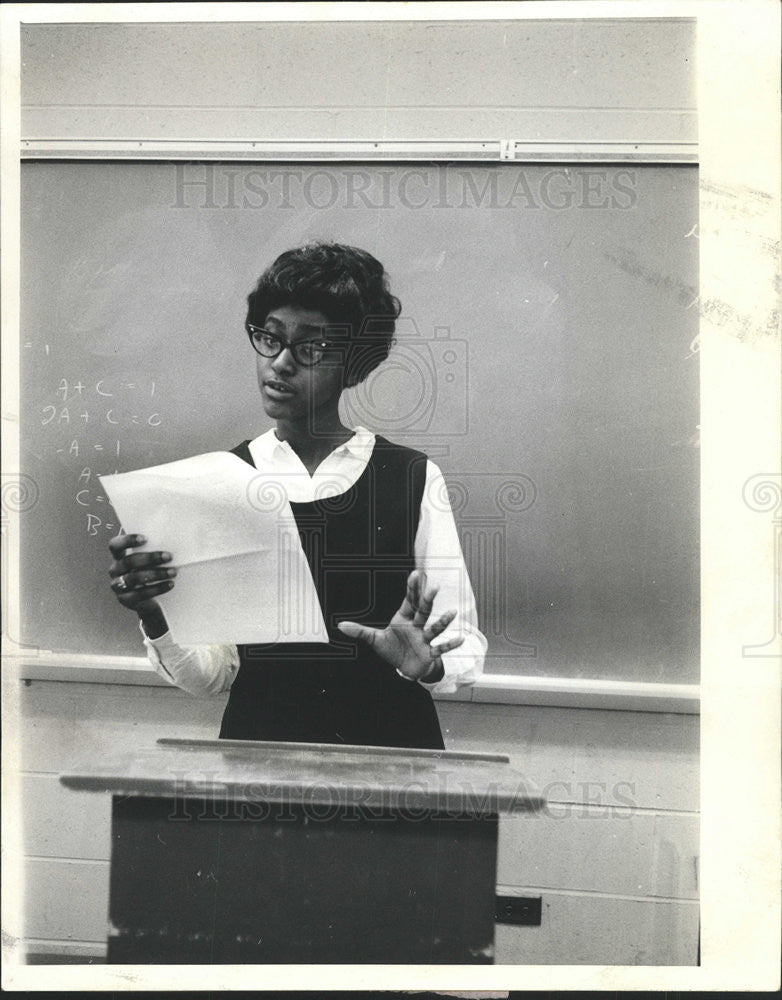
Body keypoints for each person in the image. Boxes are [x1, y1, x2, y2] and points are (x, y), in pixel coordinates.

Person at [108, 242, 486, 749]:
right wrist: (155, 613)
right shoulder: (224, 478)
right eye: (270, 338)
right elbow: (211, 675)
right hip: (260, 753)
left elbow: (463, 644)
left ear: (355, 366)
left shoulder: (410, 476)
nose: (281, 363)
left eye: (310, 347)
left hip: (392, 755)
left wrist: (430, 663)